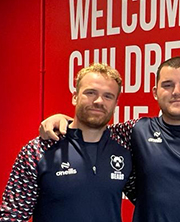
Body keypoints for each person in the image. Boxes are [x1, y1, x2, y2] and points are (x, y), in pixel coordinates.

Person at [39, 57, 180, 222]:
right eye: (167, 85)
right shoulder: (136, 130)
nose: (177, 91)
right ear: (155, 93)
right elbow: (92, 127)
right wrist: (61, 119)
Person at [0, 63, 133, 222]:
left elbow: (151, 198)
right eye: (90, 93)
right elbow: (12, 216)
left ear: (116, 103)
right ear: (74, 96)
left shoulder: (124, 147)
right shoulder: (38, 150)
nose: (99, 101)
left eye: (108, 96)